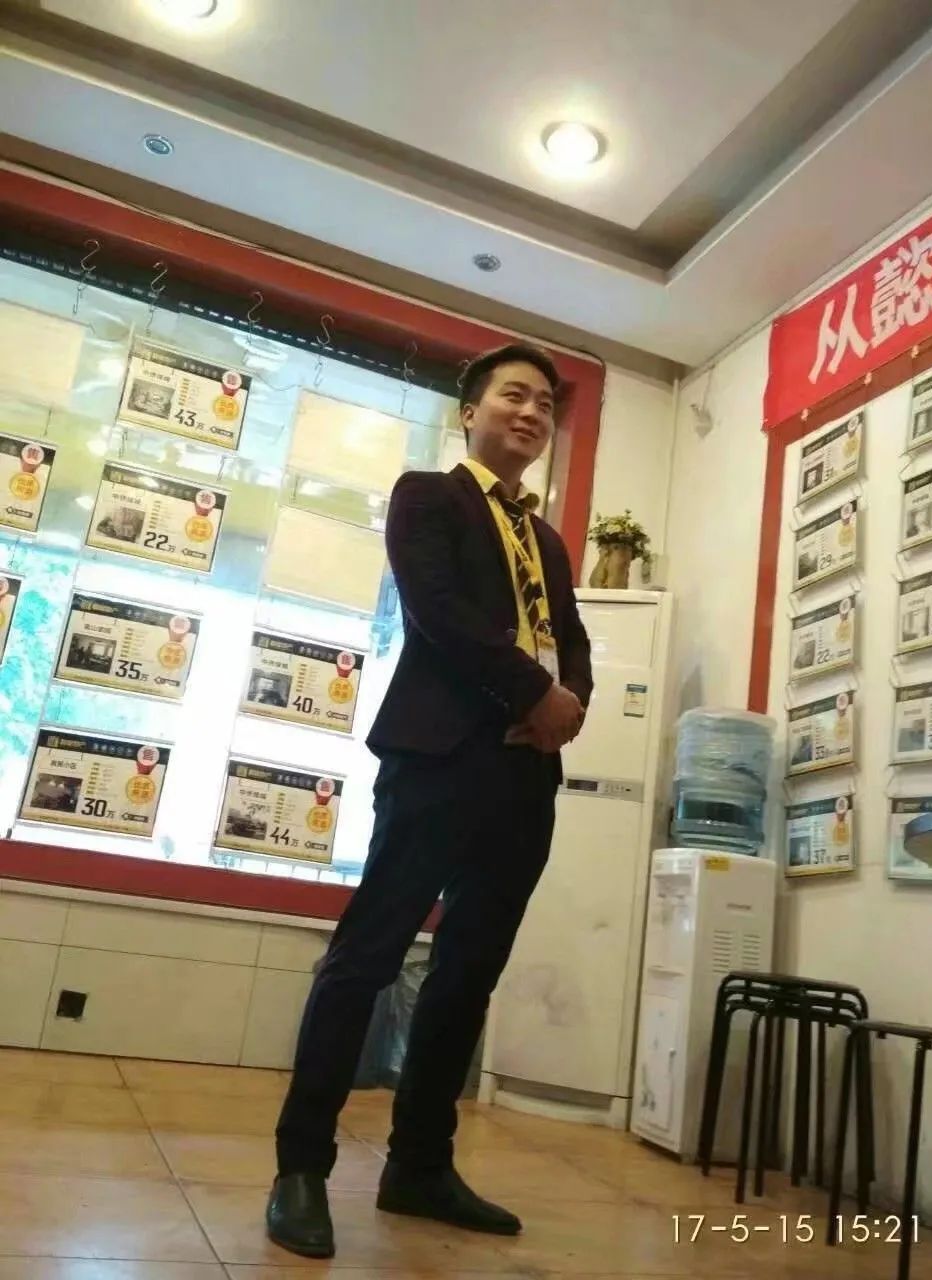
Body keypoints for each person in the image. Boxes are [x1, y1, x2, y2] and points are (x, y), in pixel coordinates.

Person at [267, 342, 593, 1258]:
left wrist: (567, 709)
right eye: (514, 396)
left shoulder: (547, 538)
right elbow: (440, 614)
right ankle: (301, 1168)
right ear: (470, 411)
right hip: (439, 760)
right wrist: (534, 694)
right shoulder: (428, 497)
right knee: (366, 957)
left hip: (525, 775)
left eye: (545, 403)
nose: (531, 413)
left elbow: (573, 639)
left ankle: (418, 1165)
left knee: (468, 974)